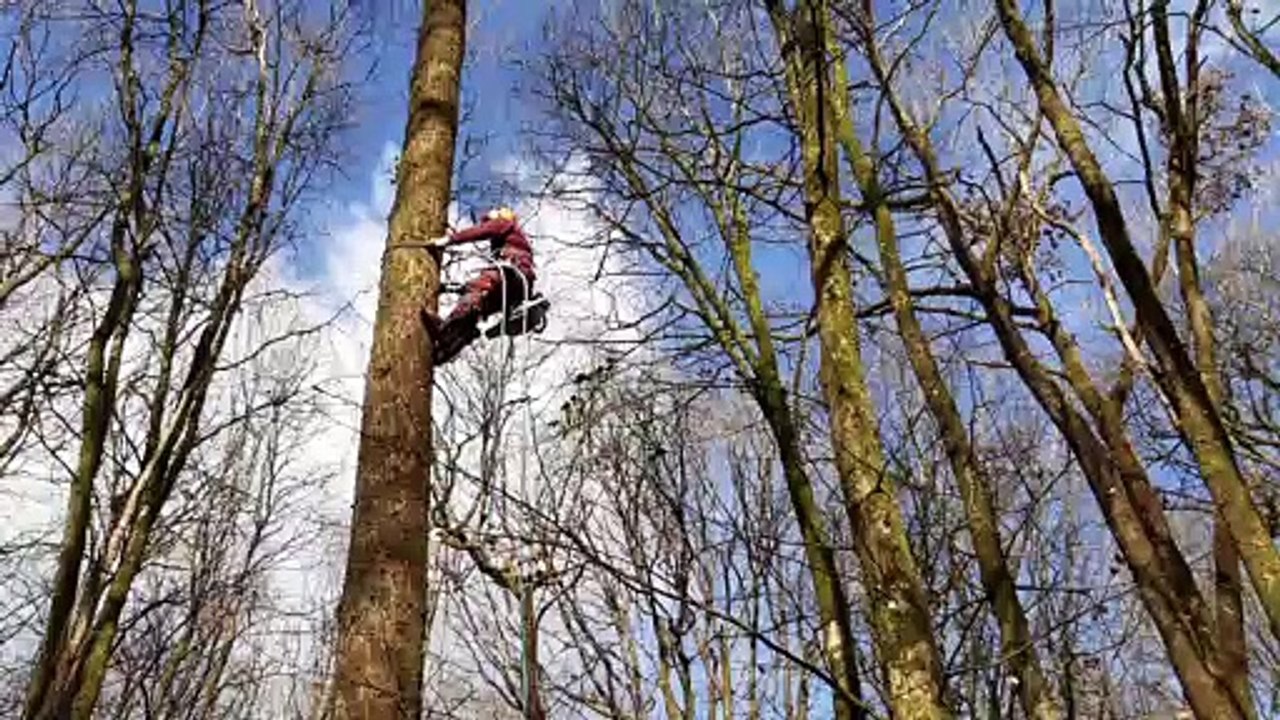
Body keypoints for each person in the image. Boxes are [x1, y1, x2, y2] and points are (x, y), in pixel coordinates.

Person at [420, 206, 537, 357]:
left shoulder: (506, 224)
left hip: (513, 273)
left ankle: (448, 329)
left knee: (477, 290)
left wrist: (450, 239)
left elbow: (481, 231)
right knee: (478, 308)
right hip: (516, 289)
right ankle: (450, 345)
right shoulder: (510, 240)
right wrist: (449, 288)